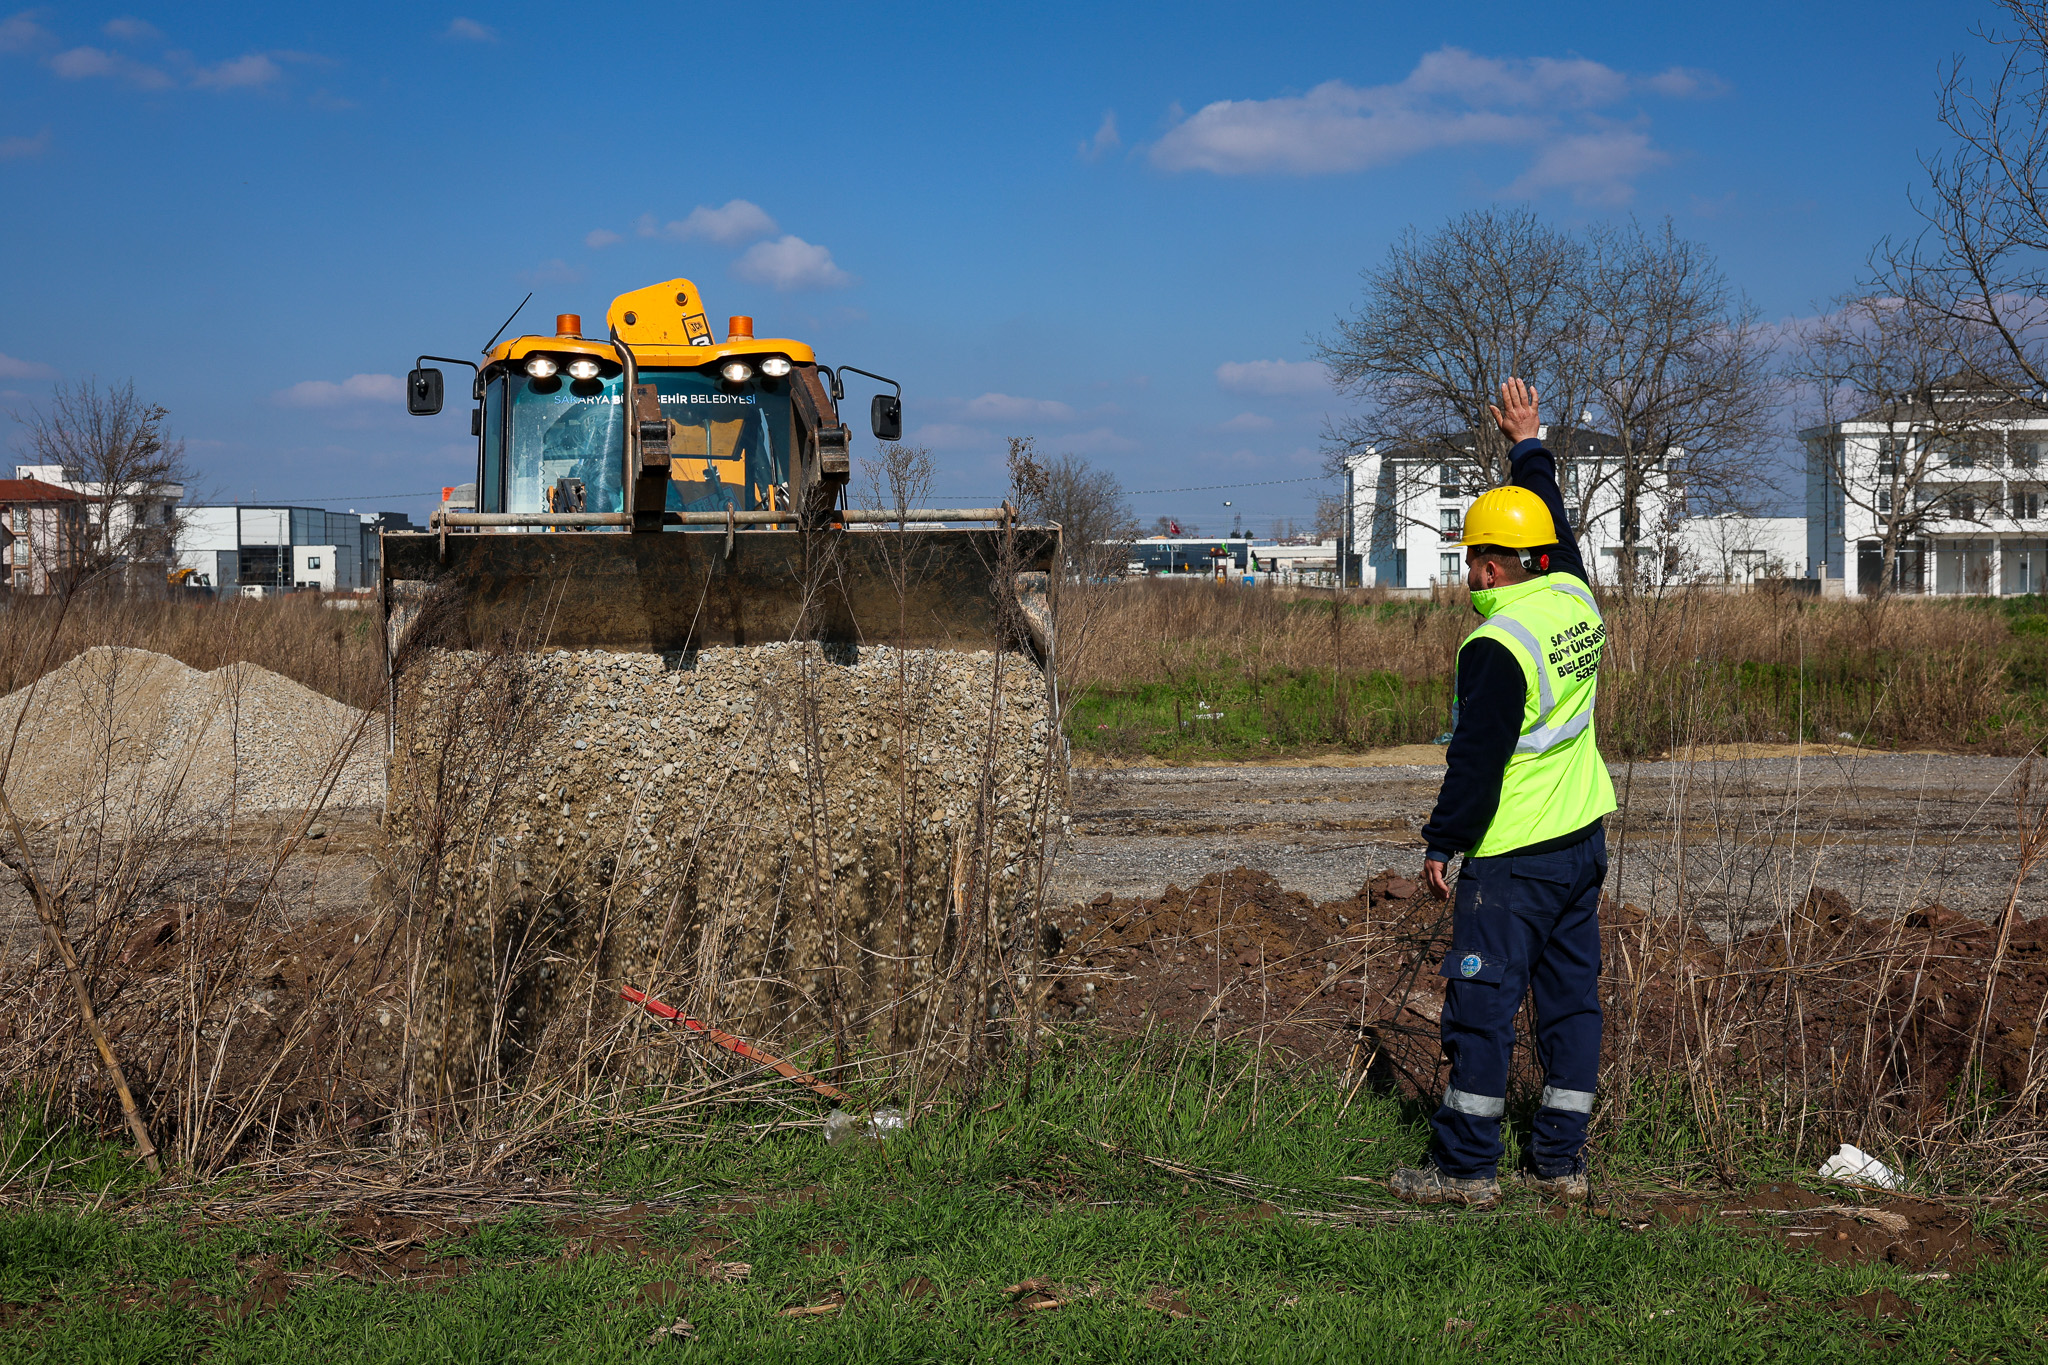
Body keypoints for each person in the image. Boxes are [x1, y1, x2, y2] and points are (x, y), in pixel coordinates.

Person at [1387, 377, 1616, 1208]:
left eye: (1470, 557)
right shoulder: (1574, 596)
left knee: (1480, 1008)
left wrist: (1442, 842)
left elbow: (1475, 764)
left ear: (1487, 563)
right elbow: (1551, 520)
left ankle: (1465, 1169)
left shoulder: (1498, 641)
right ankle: (1559, 1164)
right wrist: (1530, 445)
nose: (1468, 571)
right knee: (1569, 1009)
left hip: (1512, 858)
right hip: (1582, 843)